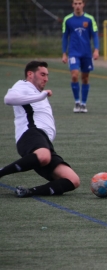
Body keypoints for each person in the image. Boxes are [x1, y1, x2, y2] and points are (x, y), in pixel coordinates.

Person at [1, 61, 80, 197]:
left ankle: (29, 192)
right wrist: (41, 96)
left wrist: (40, 95)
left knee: (73, 180)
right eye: (42, 74)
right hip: (30, 134)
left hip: (44, 142)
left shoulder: (37, 93)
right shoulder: (23, 85)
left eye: (47, 75)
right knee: (44, 156)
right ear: (30, 74)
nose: (46, 79)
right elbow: (8, 99)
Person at [62, 0, 99, 113]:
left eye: (80, 3)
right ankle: (77, 101)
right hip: (74, 53)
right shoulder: (68, 20)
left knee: (85, 78)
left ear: (83, 4)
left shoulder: (89, 19)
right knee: (74, 76)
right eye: (75, 3)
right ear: (72, 5)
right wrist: (64, 53)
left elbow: (95, 35)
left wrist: (96, 49)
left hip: (86, 53)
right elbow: (64, 37)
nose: (78, 6)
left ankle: (83, 103)